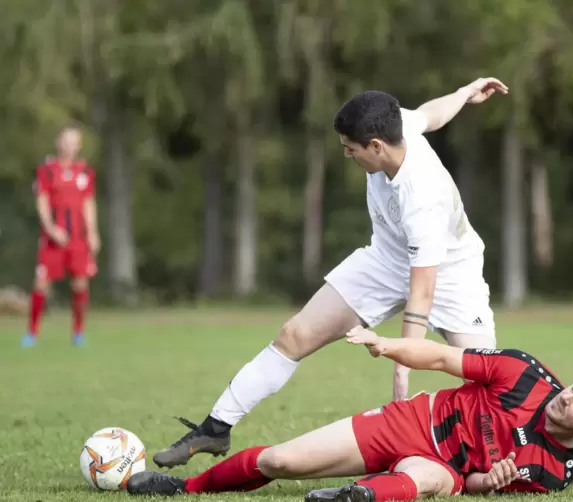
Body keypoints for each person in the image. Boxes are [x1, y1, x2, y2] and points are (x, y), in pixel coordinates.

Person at [152, 77, 510, 468]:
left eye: (350, 149)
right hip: (385, 261)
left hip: (451, 277)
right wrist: (464, 93)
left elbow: (421, 293)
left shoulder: (423, 199)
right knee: (294, 334)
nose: (347, 155)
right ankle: (215, 429)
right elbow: (430, 115)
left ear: (376, 146)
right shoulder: (396, 128)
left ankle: (562, 454)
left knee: (491, 378)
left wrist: (402, 367)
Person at [127, 327, 573, 499]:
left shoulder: (551, 472)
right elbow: (440, 357)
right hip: (414, 421)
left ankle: (352, 497)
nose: (564, 396)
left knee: (424, 481)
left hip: (448, 469)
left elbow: (477, 487)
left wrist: (492, 479)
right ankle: (184, 489)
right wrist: (386, 345)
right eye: (572, 386)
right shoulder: (524, 372)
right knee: (280, 462)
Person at [21, 126, 100, 348]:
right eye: (66, 141)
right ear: (58, 143)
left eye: (74, 142)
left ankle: (78, 333)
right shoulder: (47, 170)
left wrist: (93, 233)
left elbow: (88, 203)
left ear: (79, 146)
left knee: (80, 284)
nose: (69, 146)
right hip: (53, 238)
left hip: (78, 238)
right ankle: (32, 333)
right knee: (41, 284)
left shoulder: (85, 172)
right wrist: (50, 228)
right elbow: (42, 199)